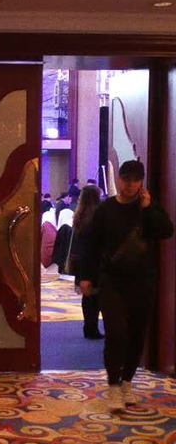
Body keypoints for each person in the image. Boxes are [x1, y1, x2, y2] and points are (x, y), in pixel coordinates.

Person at [80, 160, 174, 413]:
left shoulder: (149, 208)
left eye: (135, 179)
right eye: (126, 179)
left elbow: (166, 231)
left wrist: (148, 208)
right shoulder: (106, 209)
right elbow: (90, 243)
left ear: (141, 182)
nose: (130, 184)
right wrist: (85, 276)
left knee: (136, 334)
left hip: (143, 280)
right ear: (119, 179)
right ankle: (113, 386)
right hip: (112, 279)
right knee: (116, 332)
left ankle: (127, 383)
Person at [71, 185, 103, 339]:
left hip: (82, 263)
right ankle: (92, 328)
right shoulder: (98, 217)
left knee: (88, 298)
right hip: (96, 262)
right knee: (97, 298)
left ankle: (89, 327)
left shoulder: (79, 216)